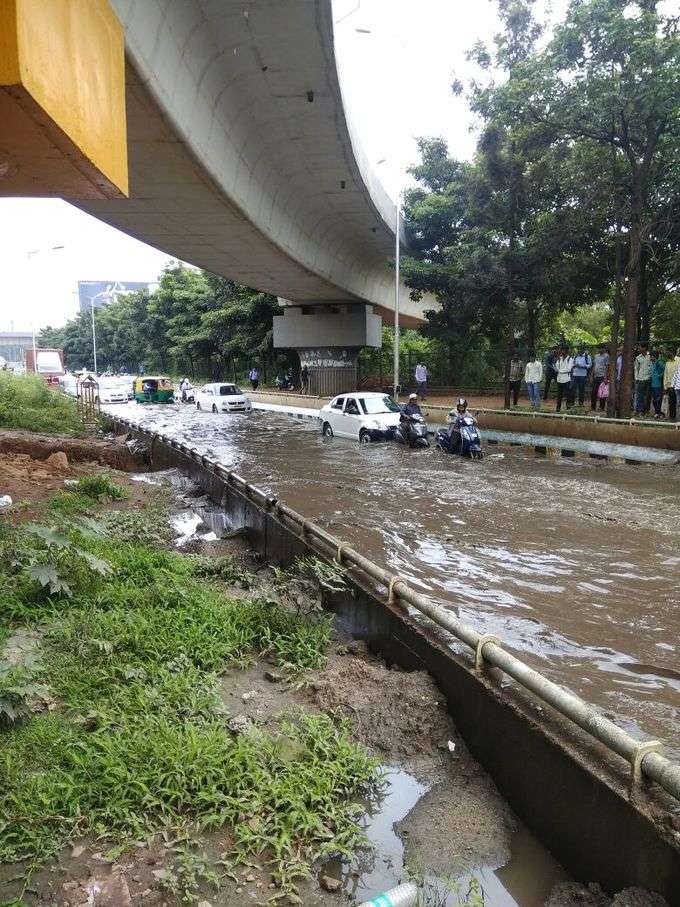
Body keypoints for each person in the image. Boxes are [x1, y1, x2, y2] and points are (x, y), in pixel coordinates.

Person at [555, 346, 574, 412]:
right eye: (561, 350)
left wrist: (560, 371)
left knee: (568, 394)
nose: (562, 352)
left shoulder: (570, 359)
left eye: (564, 350)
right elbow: (556, 367)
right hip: (559, 379)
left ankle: (568, 408)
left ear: (567, 351)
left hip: (566, 379)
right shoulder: (559, 359)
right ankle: (558, 408)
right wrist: (558, 369)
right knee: (559, 395)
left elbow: (569, 369)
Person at [634, 343, 652, 414]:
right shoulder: (638, 358)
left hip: (648, 378)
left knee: (647, 395)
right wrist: (636, 378)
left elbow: (651, 367)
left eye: (640, 348)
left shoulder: (650, 357)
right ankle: (640, 410)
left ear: (644, 348)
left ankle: (646, 410)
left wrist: (650, 376)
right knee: (640, 395)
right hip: (640, 379)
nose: (639, 349)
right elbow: (636, 369)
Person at [591, 344, 609, 410]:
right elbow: (594, 366)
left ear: (604, 349)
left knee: (602, 392)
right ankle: (593, 407)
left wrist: (605, 377)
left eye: (601, 348)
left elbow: (607, 367)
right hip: (596, 376)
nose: (600, 350)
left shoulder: (606, 356)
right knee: (593, 392)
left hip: (602, 376)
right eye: (599, 348)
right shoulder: (596, 356)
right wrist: (592, 375)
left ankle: (601, 407)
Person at [664, 347, 680, 422]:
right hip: (670, 386)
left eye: (667, 352)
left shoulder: (679, 360)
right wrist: (665, 386)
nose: (666, 354)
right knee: (672, 402)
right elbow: (665, 375)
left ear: (672, 352)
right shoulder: (667, 363)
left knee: (678, 402)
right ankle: (672, 418)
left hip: (678, 386)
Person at [650, 350, 665, 418]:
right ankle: (657, 412)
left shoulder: (659, 362)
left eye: (651, 356)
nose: (650, 357)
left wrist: (660, 375)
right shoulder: (652, 363)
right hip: (652, 384)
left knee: (658, 399)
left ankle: (658, 413)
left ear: (654, 356)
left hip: (658, 385)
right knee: (654, 399)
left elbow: (665, 370)